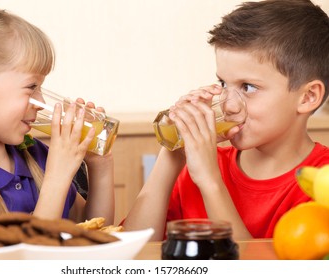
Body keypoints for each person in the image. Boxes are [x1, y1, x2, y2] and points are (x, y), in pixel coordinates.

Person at [123, 0, 329, 241]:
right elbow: (134, 254)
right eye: (223, 84)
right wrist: (172, 154)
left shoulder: (320, 182)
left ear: (308, 97)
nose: (228, 105)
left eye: (248, 87)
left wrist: (211, 182)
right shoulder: (203, 163)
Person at [0, 6, 115, 235]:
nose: (40, 101)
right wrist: (56, 178)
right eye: (31, 87)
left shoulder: (34, 154)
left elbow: (93, 230)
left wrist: (100, 165)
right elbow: (17, 267)